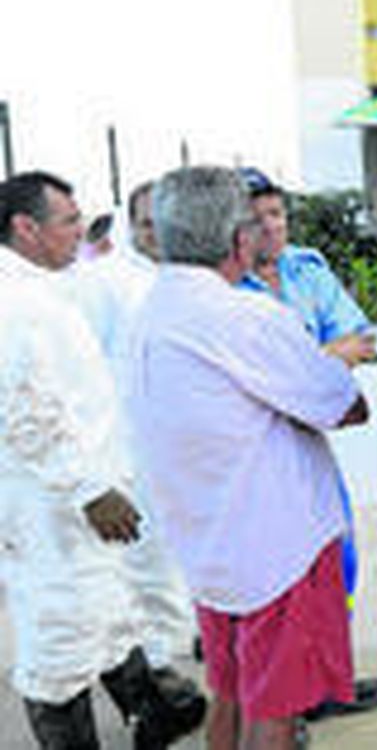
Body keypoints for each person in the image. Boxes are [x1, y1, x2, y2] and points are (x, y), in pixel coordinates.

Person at [124, 166, 368, 749]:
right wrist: (327, 368)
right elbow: (344, 405)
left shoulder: (150, 311)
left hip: (209, 545)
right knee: (275, 710)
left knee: (231, 692)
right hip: (276, 550)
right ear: (239, 240)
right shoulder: (246, 317)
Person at [0, 171, 203, 749]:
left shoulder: (41, 288)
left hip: (80, 494)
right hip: (51, 508)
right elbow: (23, 412)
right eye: (69, 221)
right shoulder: (12, 302)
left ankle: (156, 716)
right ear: (26, 228)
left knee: (112, 615)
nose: (81, 231)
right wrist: (89, 489)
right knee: (59, 647)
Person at [236, 167, 377, 721]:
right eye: (257, 218)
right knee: (273, 574)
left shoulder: (307, 269)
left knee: (335, 560)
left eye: (277, 214)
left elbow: (363, 339)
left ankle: (329, 682)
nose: (271, 227)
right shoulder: (225, 290)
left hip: (311, 444)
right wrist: (323, 360)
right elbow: (257, 377)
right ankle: (283, 696)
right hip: (254, 452)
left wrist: (300, 371)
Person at [70, 181, 209, 727]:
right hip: (130, 453)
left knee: (183, 564)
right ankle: (156, 677)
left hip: (185, 451)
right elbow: (83, 372)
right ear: (131, 225)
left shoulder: (186, 279)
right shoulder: (103, 282)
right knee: (145, 568)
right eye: (146, 223)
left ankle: (178, 664)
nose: (156, 234)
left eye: (163, 223)